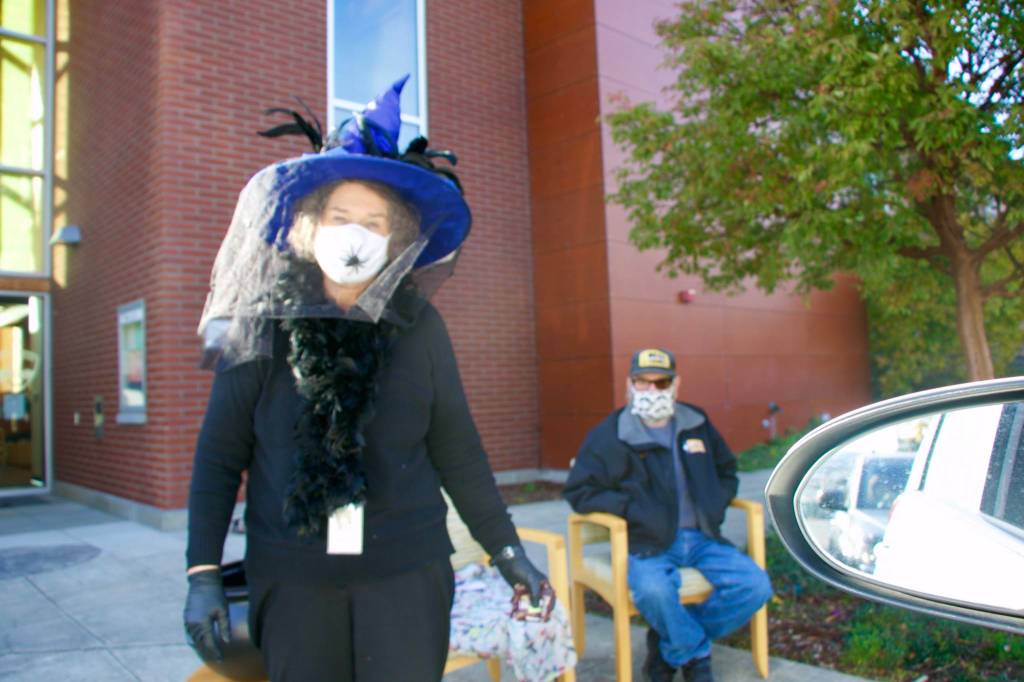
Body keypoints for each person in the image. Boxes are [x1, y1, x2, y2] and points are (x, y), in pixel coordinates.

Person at [183, 76, 551, 682]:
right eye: (341, 215)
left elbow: (458, 451)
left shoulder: (421, 327)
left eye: (374, 222)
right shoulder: (262, 326)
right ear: (310, 225)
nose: (355, 233)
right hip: (293, 581)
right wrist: (202, 575)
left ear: (396, 238)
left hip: (408, 576)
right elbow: (219, 457)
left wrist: (508, 553)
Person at [563, 348, 772, 682]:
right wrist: (630, 508)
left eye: (660, 382)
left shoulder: (696, 422)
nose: (651, 390)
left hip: (704, 539)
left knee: (755, 587)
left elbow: (726, 470)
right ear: (629, 384)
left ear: (676, 385)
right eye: (642, 382)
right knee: (654, 592)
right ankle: (696, 656)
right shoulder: (611, 434)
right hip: (648, 543)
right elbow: (580, 491)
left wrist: (715, 503)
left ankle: (670, 647)